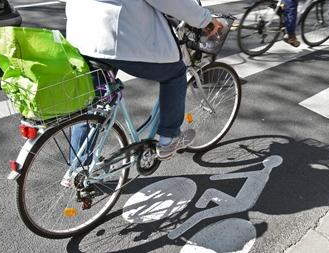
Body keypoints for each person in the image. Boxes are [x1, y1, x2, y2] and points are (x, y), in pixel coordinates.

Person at [65, 0, 222, 161]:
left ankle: (78, 168)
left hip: (82, 36)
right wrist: (205, 19)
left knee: (94, 105)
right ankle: (169, 139)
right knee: (175, 73)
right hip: (116, 37)